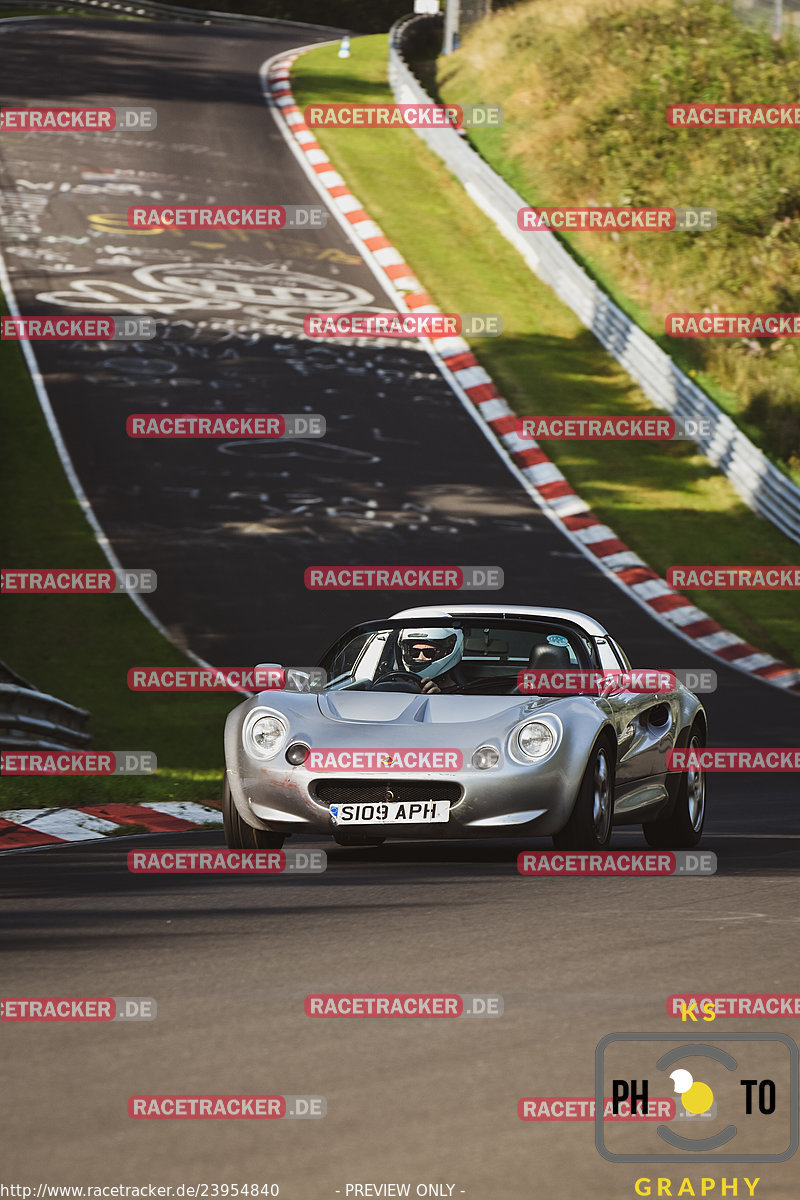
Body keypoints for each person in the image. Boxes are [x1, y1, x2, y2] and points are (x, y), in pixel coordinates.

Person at [398, 626, 465, 694]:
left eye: (429, 652)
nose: (420, 657)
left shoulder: (464, 695)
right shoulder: (401, 685)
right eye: (414, 652)